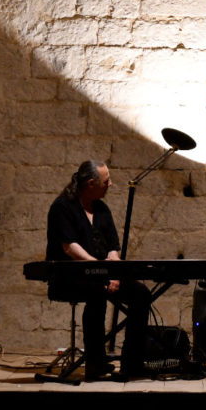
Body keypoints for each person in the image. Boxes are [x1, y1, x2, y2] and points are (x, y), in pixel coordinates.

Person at [46, 160, 152, 380]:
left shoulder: (102, 209)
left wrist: (113, 271)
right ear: (91, 183)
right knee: (97, 293)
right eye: (106, 181)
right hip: (70, 277)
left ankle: (132, 363)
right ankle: (95, 363)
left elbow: (113, 248)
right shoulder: (63, 207)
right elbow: (70, 248)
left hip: (101, 276)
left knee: (141, 293)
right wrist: (101, 272)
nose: (111, 184)